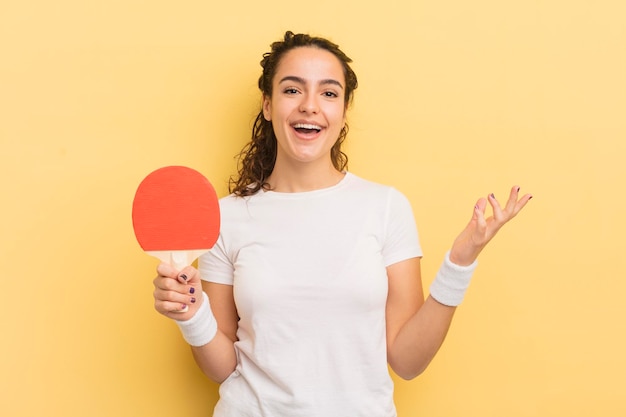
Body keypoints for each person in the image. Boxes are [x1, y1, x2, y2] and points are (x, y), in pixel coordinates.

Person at [152, 31, 532, 416]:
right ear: (268, 105)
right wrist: (192, 314)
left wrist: (460, 262)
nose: (310, 107)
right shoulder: (227, 217)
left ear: (344, 109)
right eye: (292, 90)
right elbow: (223, 369)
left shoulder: (385, 207)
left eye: (329, 93)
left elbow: (407, 360)